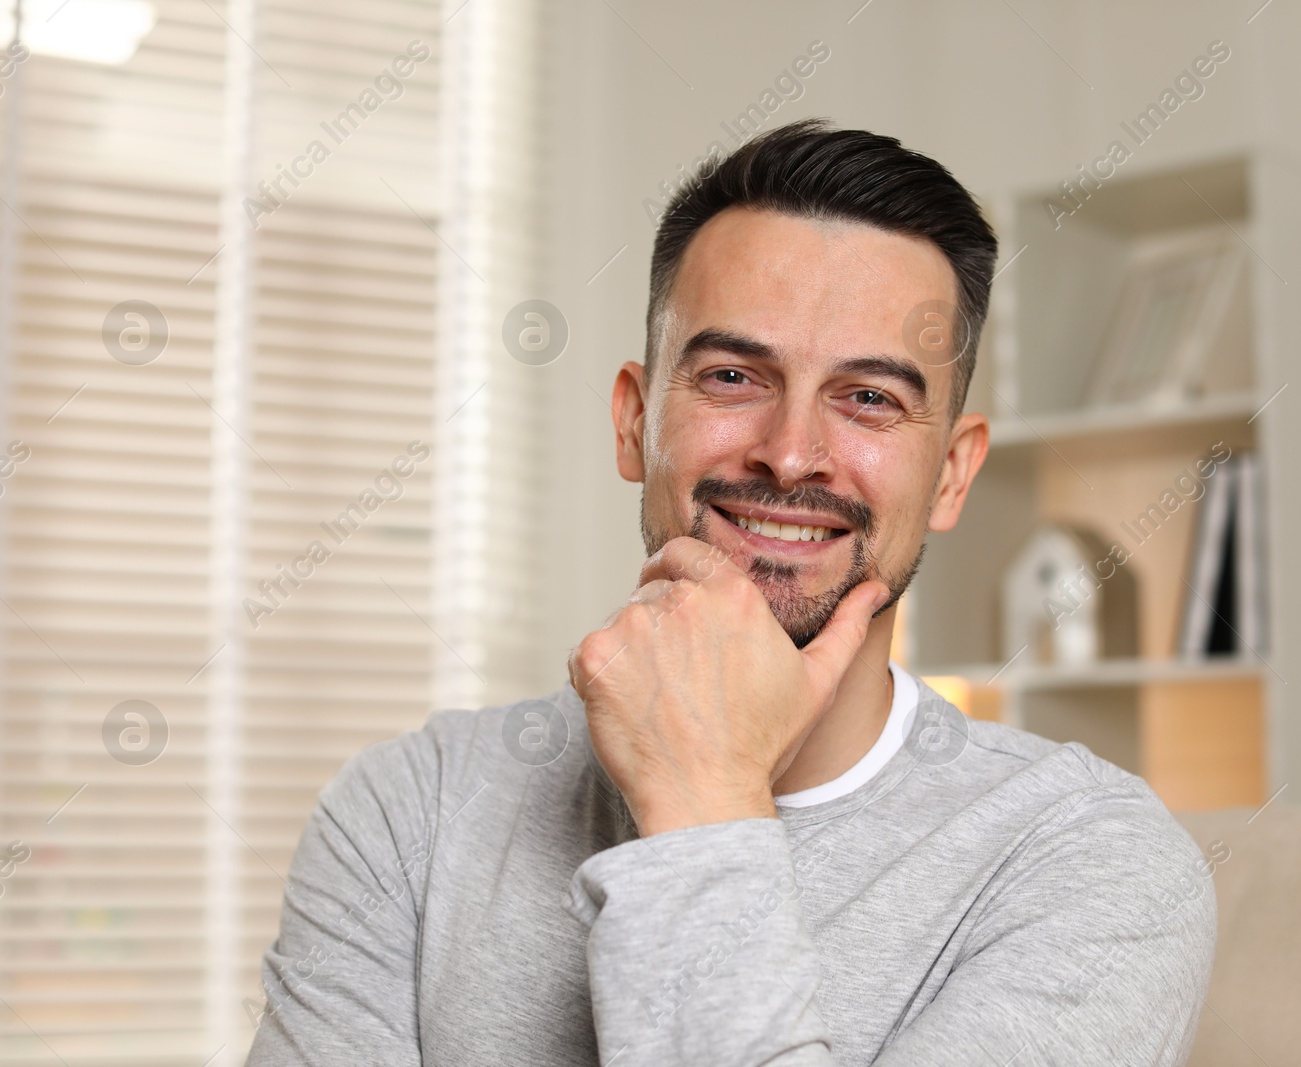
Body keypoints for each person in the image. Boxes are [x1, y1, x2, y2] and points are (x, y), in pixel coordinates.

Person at [245, 119, 1216, 1067]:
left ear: (952, 476)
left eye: (869, 396)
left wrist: (703, 798)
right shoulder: (408, 810)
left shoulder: (1093, 863)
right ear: (633, 422)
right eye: (732, 374)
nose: (791, 452)